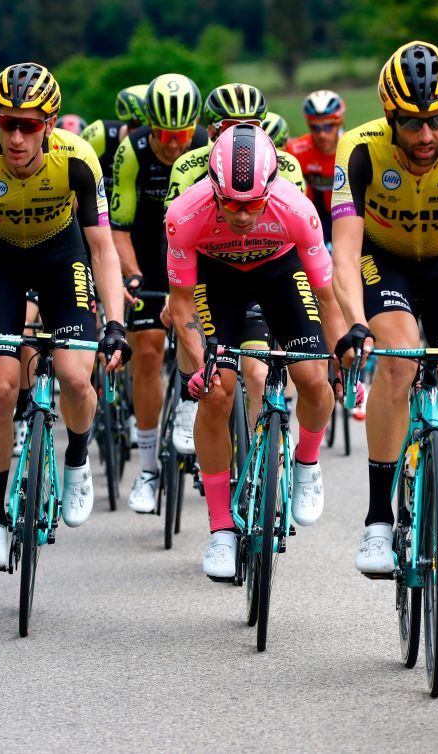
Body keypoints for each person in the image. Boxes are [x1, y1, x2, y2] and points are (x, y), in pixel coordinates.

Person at [0, 62, 130, 570]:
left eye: (28, 125)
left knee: (74, 376)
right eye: (7, 123)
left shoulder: (77, 159)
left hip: (59, 257)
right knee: (0, 389)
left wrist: (113, 321)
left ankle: (76, 459)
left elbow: (102, 249)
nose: (17, 136)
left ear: (48, 124)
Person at [332, 41, 438, 587]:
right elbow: (345, 254)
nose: (426, 137)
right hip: (386, 261)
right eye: (411, 123)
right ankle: (378, 517)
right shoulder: (359, 149)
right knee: (398, 363)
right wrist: (355, 322)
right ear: (388, 117)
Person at [166, 124, 346, 579]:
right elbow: (182, 303)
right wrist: (200, 360)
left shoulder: (297, 209)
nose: (242, 215)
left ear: (271, 187)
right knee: (217, 391)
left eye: (252, 205)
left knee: (314, 382)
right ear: (212, 186)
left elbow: (327, 298)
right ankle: (221, 529)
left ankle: (306, 461)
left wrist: (341, 355)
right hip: (217, 278)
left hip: (279, 273)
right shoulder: (185, 214)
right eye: (230, 203)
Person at [165, 83, 307, 444]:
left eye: (251, 126)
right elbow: (169, 235)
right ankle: (187, 398)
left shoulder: (285, 164)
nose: (240, 137)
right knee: (185, 317)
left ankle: (267, 453)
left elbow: (300, 239)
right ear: (210, 131)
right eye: (228, 128)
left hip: (268, 267)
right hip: (208, 269)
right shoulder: (189, 165)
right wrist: (170, 290)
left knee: (259, 374)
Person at [110, 73, 206, 513]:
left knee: (208, 345)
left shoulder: (206, 144)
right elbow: (119, 227)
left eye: (182, 134)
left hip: (198, 254)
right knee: (146, 350)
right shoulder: (134, 150)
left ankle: (196, 414)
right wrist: (130, 274)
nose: (173, 144)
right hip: (147, 251)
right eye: (165, 135)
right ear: (152, 127)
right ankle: (148, 468)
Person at [286, 90, 344, 244]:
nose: (322, 134)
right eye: (315, 128)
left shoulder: (353, 148)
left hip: (347, 216)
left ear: (340, 122)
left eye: (328, 126)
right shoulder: (296, 150)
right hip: (314, 220)